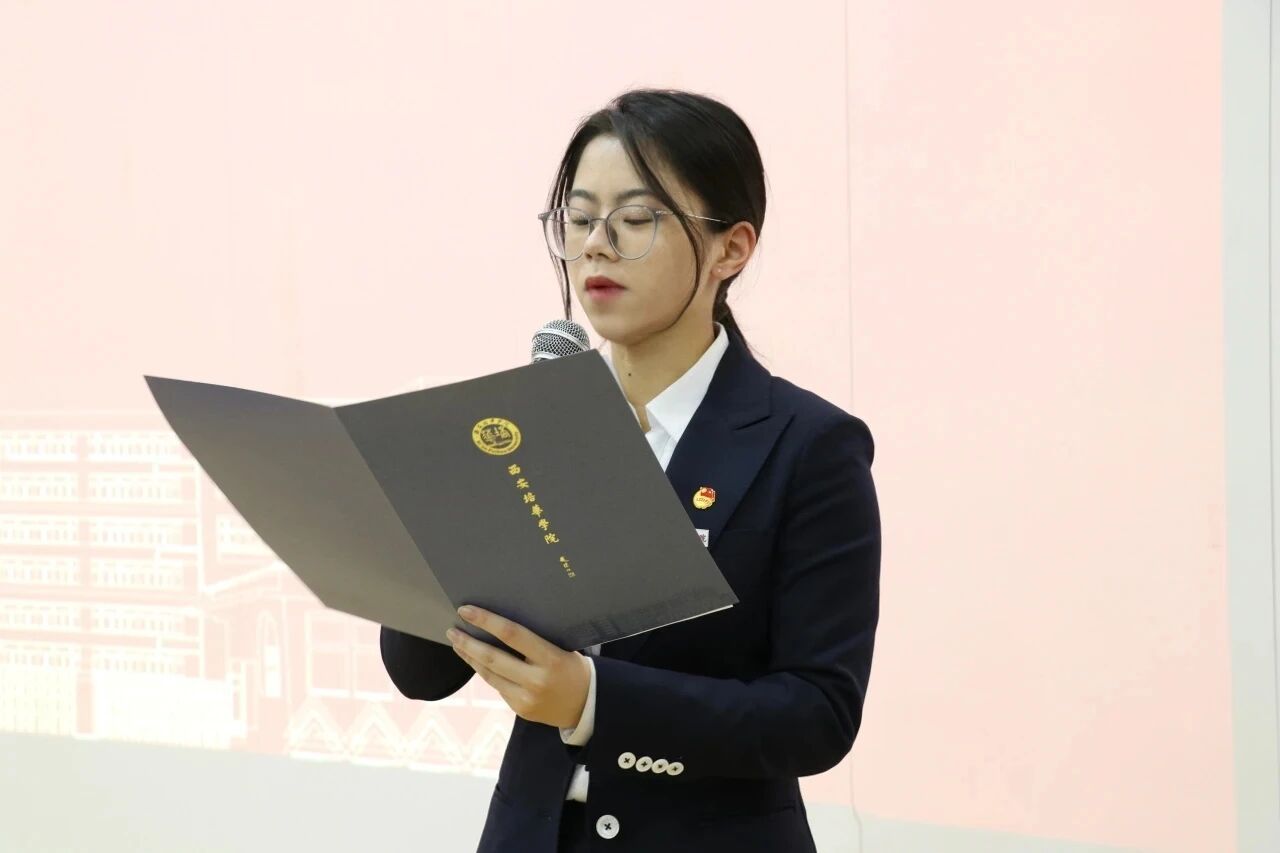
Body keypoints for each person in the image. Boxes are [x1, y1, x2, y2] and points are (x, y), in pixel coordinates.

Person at [379, 87, 881, 853]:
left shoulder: (809, 446)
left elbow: (817, 713)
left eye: (636, 220)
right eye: (579, 219)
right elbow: (420, 672)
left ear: (731, 248)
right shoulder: (531, 429)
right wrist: (450, 518)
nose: (597, 246)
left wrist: (594, 700)